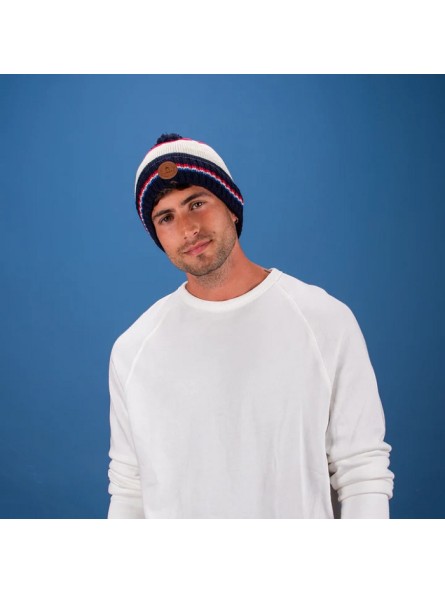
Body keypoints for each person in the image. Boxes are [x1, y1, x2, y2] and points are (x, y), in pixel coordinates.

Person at [107, 133, 395, 519]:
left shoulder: (323, 321)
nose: (188, 228)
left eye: (196, 203)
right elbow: (130, 491)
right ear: (157, 235)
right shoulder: (134, 350)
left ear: (231, 207)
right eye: (166, 217)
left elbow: (363, 473)